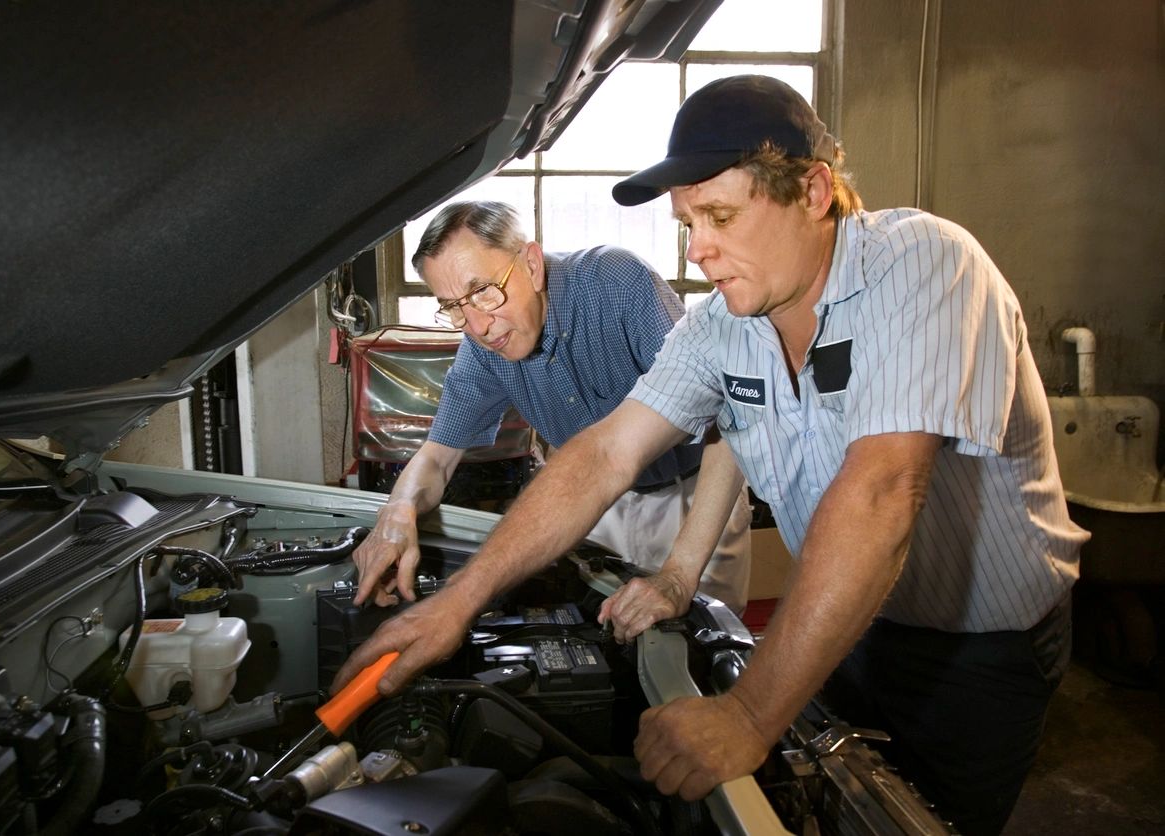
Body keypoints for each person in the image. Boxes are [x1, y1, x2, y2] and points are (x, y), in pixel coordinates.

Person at [336, 77, 1087, 835]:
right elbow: (602, 455)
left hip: (982, 650)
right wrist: (455, 605)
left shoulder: (925, 264)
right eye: (688, 221)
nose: (698, 249)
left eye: (721, 215)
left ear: (815, 190)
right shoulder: (723, 327)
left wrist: (750, 712)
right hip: (850, 619)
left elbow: (883, 492)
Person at [350, 200, 752, 614]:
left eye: (483, 291)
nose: (479, 327)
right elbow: (436, 457)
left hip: (695, 493)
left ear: (532, 264)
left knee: (706, 646)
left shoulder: (617, 283)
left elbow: (724, 415)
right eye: (454, 308)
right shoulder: (484, 347)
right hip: (593, 501)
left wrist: (678, 574)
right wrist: (397, 513)